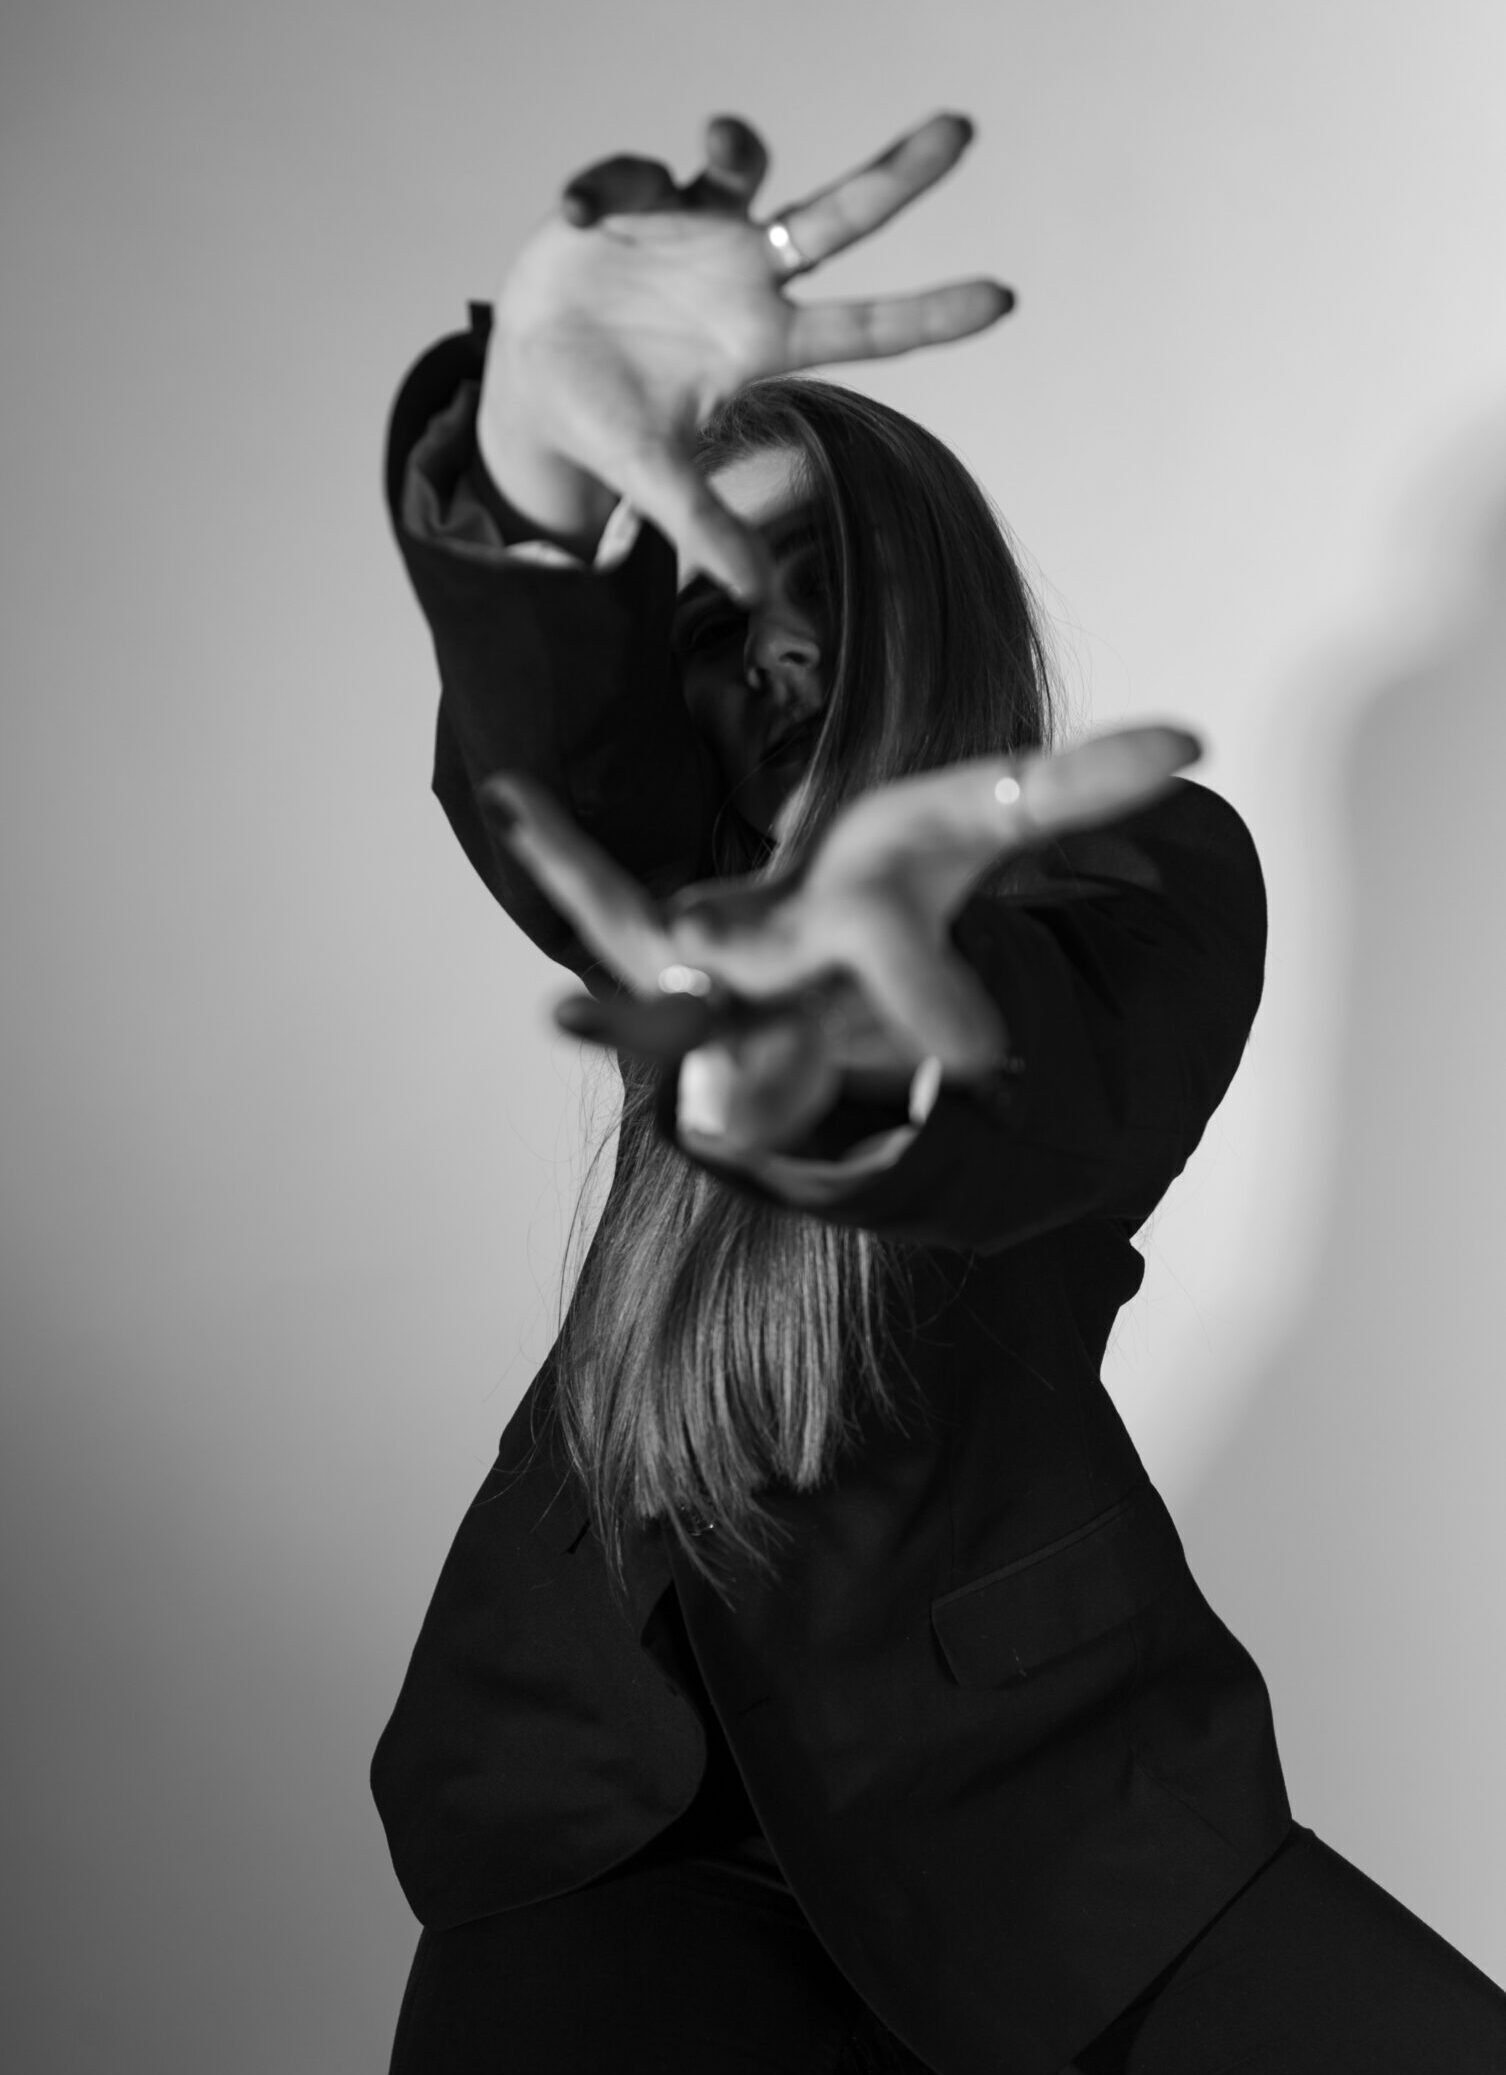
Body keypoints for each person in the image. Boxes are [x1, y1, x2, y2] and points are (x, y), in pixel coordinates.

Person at [373, 112, 1506, 2073]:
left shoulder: (1138, 874)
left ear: (931, 613)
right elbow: (552, 762)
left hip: (1045, 1799)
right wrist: (524, 488)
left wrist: (862, 1053)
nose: (770, 646)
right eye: (704, 613)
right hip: (599, 1795)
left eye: (813, 581)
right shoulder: (668, 875)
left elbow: (1055, 1089)